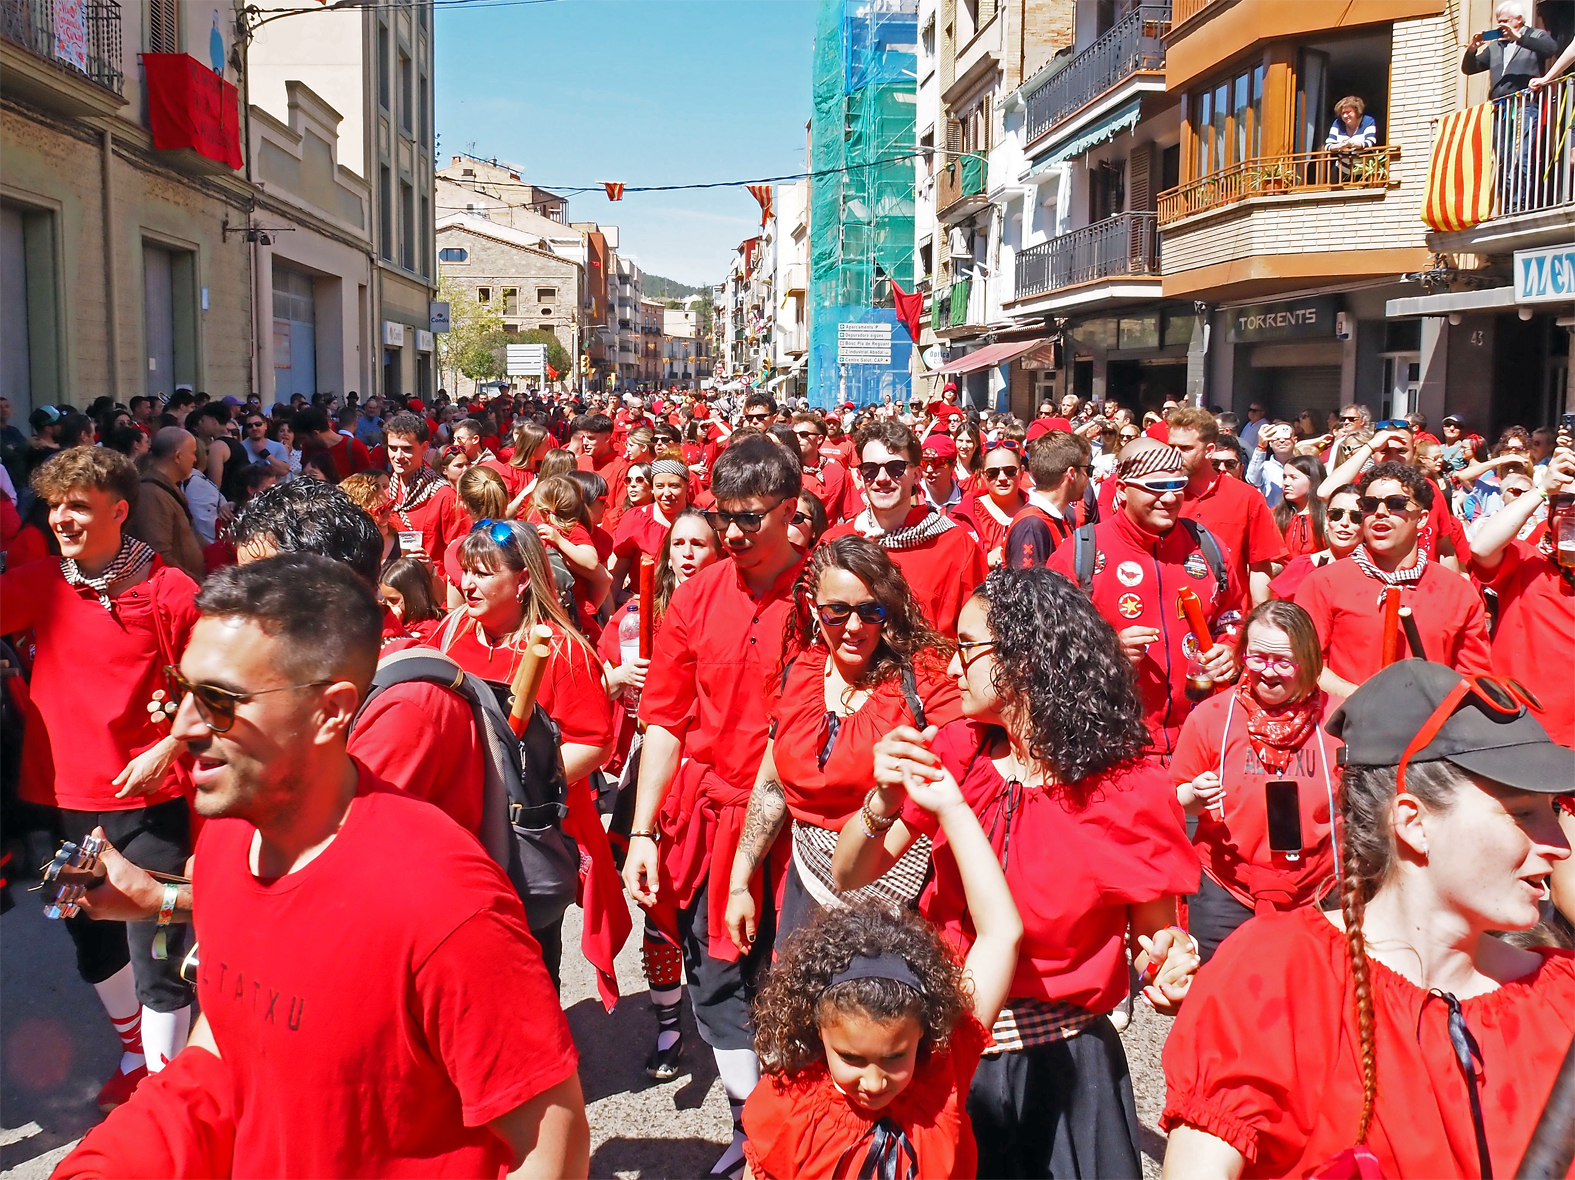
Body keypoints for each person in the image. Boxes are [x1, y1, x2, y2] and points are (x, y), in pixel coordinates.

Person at [54, 554, 591, 1179]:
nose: (186, 727)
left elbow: (550, 1141)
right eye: (185, 692)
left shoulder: (444, 901)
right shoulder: (230, 840)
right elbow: (223, 1046)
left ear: (333, 710)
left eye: (222, 701)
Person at [834, 568, 1201, 1178]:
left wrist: (1168, 971)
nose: (953, 671)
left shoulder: (1128, 788)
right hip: (952, 1049)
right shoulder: (960, 751)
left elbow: (1153, 945)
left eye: (967, 650)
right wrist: (882, 799)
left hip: (1067, 1067)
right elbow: (852, 871)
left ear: (1025, 659)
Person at [1160, 660, 1574, 1178]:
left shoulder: (1560, 1001)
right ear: (1413, 823)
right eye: (1523, 812)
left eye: (1556, 812)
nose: (1557, 846)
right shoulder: (1277, 974)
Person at [622, 433, 807, 1178]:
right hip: (708, 820)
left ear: (790, 510)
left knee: (794, 983)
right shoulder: (696, 594)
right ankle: (749, 1128)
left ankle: (798, 1131)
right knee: (717, 981)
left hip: (801, 828)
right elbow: (663, 718)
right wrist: (641, 832)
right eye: (724, 515)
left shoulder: (826, 593)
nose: (732, 533)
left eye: (751, 518)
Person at [3, 447, 199, 1110]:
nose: (63, 518)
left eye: (78, 505)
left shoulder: (170, 589)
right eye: (56, 504)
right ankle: (133, 1053)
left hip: (151, 806)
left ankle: (171, 1100)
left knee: (159, 956)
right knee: (81, 930)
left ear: (118, 510)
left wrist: (170, 744)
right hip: (62, 808)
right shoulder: (37, 582)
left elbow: (215, 684)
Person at [741, 806, 1021, 1180]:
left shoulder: (943, 1073)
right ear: (817, 1029)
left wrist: (951, 808)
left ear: (923, 1030)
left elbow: (1001, 935)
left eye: (894, 1057)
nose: (873, 1083)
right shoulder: (789, 1102)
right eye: (852, 1058)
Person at [726, 537, 961, 957]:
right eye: (837, 611)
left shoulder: (927, 682)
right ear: (816, 610)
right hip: (807, 892)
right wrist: (740, 882)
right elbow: (772, 785)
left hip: (898, 901)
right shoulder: (800, 671)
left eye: (870, 611)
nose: (853, 627)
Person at [433, 519, 627, 998]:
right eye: (466, 571)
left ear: (522, 580)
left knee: (529, 965)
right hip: (459, 825)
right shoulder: (452, 632)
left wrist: (520, 783)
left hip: (528, 833)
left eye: (482, 573)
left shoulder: (562, 649)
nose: (466, 583)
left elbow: (592, 742)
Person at [599, 506, 724, 1080]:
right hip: (650, 773)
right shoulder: (633, 616)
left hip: (717, 777)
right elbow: (592, 680)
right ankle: (669, 1020)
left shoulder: (736, 612)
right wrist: (621, 680)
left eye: (701, 543)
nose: (689, 553)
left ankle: (727, 1017)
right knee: (656, 901)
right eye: (680, 544)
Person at [1047, 440, 1242, 759]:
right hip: (1114, 748)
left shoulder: (1207, 547)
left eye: (1177, 486)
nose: (1168, 498)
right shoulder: (1080, 555)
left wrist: (1230, 649)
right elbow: (1047, 651)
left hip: (1202, 746)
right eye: (1155, 487)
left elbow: (1232, 615)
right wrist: (1108, 654)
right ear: (1122, 489)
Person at [1171, 601, 1343, 962]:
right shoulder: (1211, 718)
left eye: (1283, 661)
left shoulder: (1341, 721)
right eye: (1257, 658)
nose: (1268, 672)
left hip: (1321, 888)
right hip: (1228, 889)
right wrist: (1194, 795)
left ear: (1310, 661)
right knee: (1224, 1004)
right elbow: (1174, 800)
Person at [1295, 462, 1492, 697]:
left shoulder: (1458, 591)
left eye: (1396, 503)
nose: (1380, 512)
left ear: (1421, 518)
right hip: (1346, 726)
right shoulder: (1322, 583)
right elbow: (1307, 664)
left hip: (1432, 727)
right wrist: (1364, 702)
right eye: (1369, 505)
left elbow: (1474, 677)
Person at [822, 421, 987, 639]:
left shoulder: (957, 546)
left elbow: (980, 637)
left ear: (917, 475)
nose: (882, 479)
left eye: (895, 468)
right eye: (871, 470)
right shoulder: (833, 543)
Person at [1468, 449, 1574, 747]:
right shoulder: (1527, 557)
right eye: (1565, 501)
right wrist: (1543, 488)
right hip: (1522, 732)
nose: (1573, 510)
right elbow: (1481, 548)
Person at [1168, 407, 1287, 608]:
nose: (1175, 455)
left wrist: (1258, 622)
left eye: (1186, 448)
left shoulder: (1247, 497)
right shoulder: (1161, 495)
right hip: (1171, 613)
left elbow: (1259, 566)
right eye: (1172, 446)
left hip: (1227, 621)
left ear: (1209, 450)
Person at [383, 411, 469, 580]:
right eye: (393, 448)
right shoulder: (386, 496)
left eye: (407, 449)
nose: (398, 456)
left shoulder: (444, 497)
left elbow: (460, 555)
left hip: (432, 592)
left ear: (424, 448)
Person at [128, 427, 206, 583]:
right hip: (177, 593)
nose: (194, 459)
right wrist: (197, 585)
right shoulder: (150, 494)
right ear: (177, 456)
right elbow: (159, 556)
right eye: (192, 453)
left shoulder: (165, 488)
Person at [1003, 429, 1090, 568]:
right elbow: (1026, 587)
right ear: (1071, 474)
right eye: (1087, 470)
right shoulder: (1031, 526)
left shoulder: (1059, 517)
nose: (1087, 478)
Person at [1270, 483, 1364, 599]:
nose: (1344, 523)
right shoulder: (1301, 567)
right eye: (1336, 514)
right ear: (1326, 518)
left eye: (1356, 516)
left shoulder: (1376, 570)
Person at [951, 440, 1027, 568]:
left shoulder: (1037, 512)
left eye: (1010, 471)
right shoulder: (963, 516)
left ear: (1022, 471)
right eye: (993, 473)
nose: (1002, 478)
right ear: (983, 476)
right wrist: (983, 560)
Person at [1461, 0, 1557, 98]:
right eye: (1499, 22)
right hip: (1499, 107)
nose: (1501, 25)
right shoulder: (1495, 46)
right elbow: (1469, 69)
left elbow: (1551, 48)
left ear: (1519, 19)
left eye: (1505, 21)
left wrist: (1520, 38)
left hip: (1526, 104)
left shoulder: (1536, 35)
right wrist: (1472, 49)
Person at [790, 412, 853, 523]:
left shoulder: (838, 473)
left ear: (819, 439)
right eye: (793, 434)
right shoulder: (783, 470)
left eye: (803, 434)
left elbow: (853, 515)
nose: (797, 438)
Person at [1271, 454, 1327, 560]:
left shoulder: (1327, 517)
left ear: (1313, 480)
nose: (1286, 483)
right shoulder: (1274, 515)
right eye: (1284, 477)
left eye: (1293, 478)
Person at [379, 554, 443, 643]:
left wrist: (395, 626)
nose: (388, 606)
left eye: (393, 600)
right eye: (385, 599)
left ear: (413, 596)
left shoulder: (429, 629)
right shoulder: (401, 620)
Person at [1323, 95, 1378, 180]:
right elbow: (1328, 145)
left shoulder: (1368, 121)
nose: (1345, 116)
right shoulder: (1337, 123)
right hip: (1341, 171)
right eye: (1343, 113)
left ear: (1357, 111)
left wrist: (1351, 144)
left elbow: (1370, 143)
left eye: (1348, 112)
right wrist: (1338, 146)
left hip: (1363, 171)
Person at [917, 432, 964, 514]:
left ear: (953, 465)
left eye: (937, 463)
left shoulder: (967, 501)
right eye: (924, 462)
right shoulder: (910, 499)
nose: (929, 469)